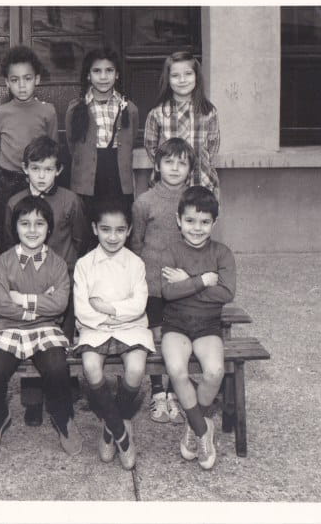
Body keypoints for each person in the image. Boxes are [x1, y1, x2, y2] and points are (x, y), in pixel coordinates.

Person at [0, 196, 81, 457]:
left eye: (39, 223)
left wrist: (22, 299)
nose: (32, 230)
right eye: (25, 223)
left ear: (49, 228)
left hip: (46, 329)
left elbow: (59, 304)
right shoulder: (4, 261)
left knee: (57, 367)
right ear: (15, 228)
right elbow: (1, 304)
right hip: (8, 328)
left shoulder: (57, 264)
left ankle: (62, 416)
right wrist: (38, 305)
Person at [0, 135, 87, 426]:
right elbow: (8, 246)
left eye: (48, 169)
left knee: (60, 342)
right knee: (29, 334)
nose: (41, 176)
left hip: (63, 283)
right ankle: (33, 399)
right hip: (27, 282)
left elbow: (81, 241)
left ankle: (62, 393)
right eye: (35, 168)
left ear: (58, 170)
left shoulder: (70, 201)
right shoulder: (15, 203)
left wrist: (65, 276)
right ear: (25, 168)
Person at [73, 198, 154, 470]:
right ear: (94, 229)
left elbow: (138, 305)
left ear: (129, 231)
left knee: (136, 369)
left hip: (131, 327)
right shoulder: (84, 264)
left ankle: (109, 428)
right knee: (91, 367)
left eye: (120, 230)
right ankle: (121, 433)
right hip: (94, 328)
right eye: (105, 229)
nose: (112, 237)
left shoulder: (135, 264)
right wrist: (106, 317)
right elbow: (83, 310)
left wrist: (109, 308)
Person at [160, 186, 236, 470]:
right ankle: (203, 429)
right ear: (178, 220)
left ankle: (194, 424)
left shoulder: (222, 253)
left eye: (205, 222)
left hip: (207, 325)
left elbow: (226, 293)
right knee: (177, 370)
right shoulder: (171, 251)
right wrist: (203, 280)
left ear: (214, 223)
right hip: (176, 324)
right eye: (190, 220)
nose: (197, 228)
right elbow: (168, 292)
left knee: (214, 371)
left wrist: (186, 282)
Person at [130, 138, 196, 425]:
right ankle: (158, 392)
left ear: (190, 169)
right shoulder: (144, 202)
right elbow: (136, 244)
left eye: (182, 163)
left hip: (181, 286)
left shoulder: (194, 201)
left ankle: (174, 392)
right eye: (169, 162)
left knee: (177, 338)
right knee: (155, 337)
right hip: (153, 285)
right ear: (157, 166)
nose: (175, 168)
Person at [0, 45, 58, 251]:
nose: (21, 85)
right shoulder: (0, 113)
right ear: (7, 82)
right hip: (9, 180)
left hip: (38, 180)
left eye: (27, 79)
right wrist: (5, 170)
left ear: (37, 79)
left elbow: (53, 147)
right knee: (7, 231)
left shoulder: (48, 111)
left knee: (37, 227)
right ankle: (7, 267)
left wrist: (42, 175)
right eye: (15, 80)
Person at [65, 46, 139, 231]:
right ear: (88, 75)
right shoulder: (75, 108)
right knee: (86, 229)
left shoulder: (129, 108)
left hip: (118, 179)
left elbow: (129, 142)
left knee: (118, 225)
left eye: (109, 70)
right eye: (97, 71)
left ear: (117, 74)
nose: (103, 77)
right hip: (87, 181)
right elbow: (72, 147)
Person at [144, 51, 220, 199]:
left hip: (201, 182)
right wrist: (171, 167)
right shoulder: (158, 112)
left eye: (188, 74)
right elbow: (151, 148)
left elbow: (213, 147)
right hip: (168, 186)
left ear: (197, 77)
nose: (182, 80)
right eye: (175, 75)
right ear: (168, 79)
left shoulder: (209, 112)